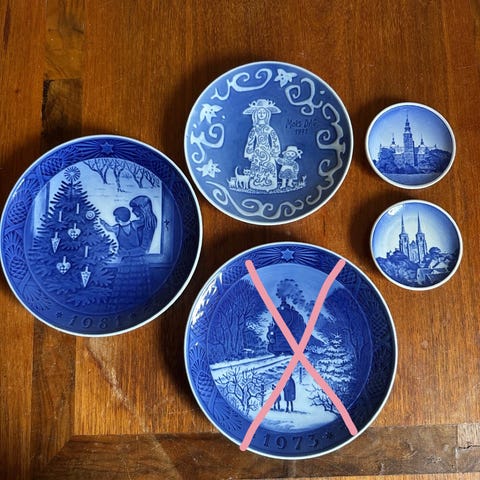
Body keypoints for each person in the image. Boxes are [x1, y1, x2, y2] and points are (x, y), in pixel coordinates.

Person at [243, 99, 281, 191]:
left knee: (269, 166)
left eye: (263, 112)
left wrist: (275, 151)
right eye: (259, 112)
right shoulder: (254, 129)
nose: (261, 114)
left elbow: (275, 139)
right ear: (255, 114)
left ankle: (270, 184)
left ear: (267, 115)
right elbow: (250, 141)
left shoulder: (269, 128)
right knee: (257, 166)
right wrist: (249, 153)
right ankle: (256, 184)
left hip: (268, 151)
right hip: (257, 151)